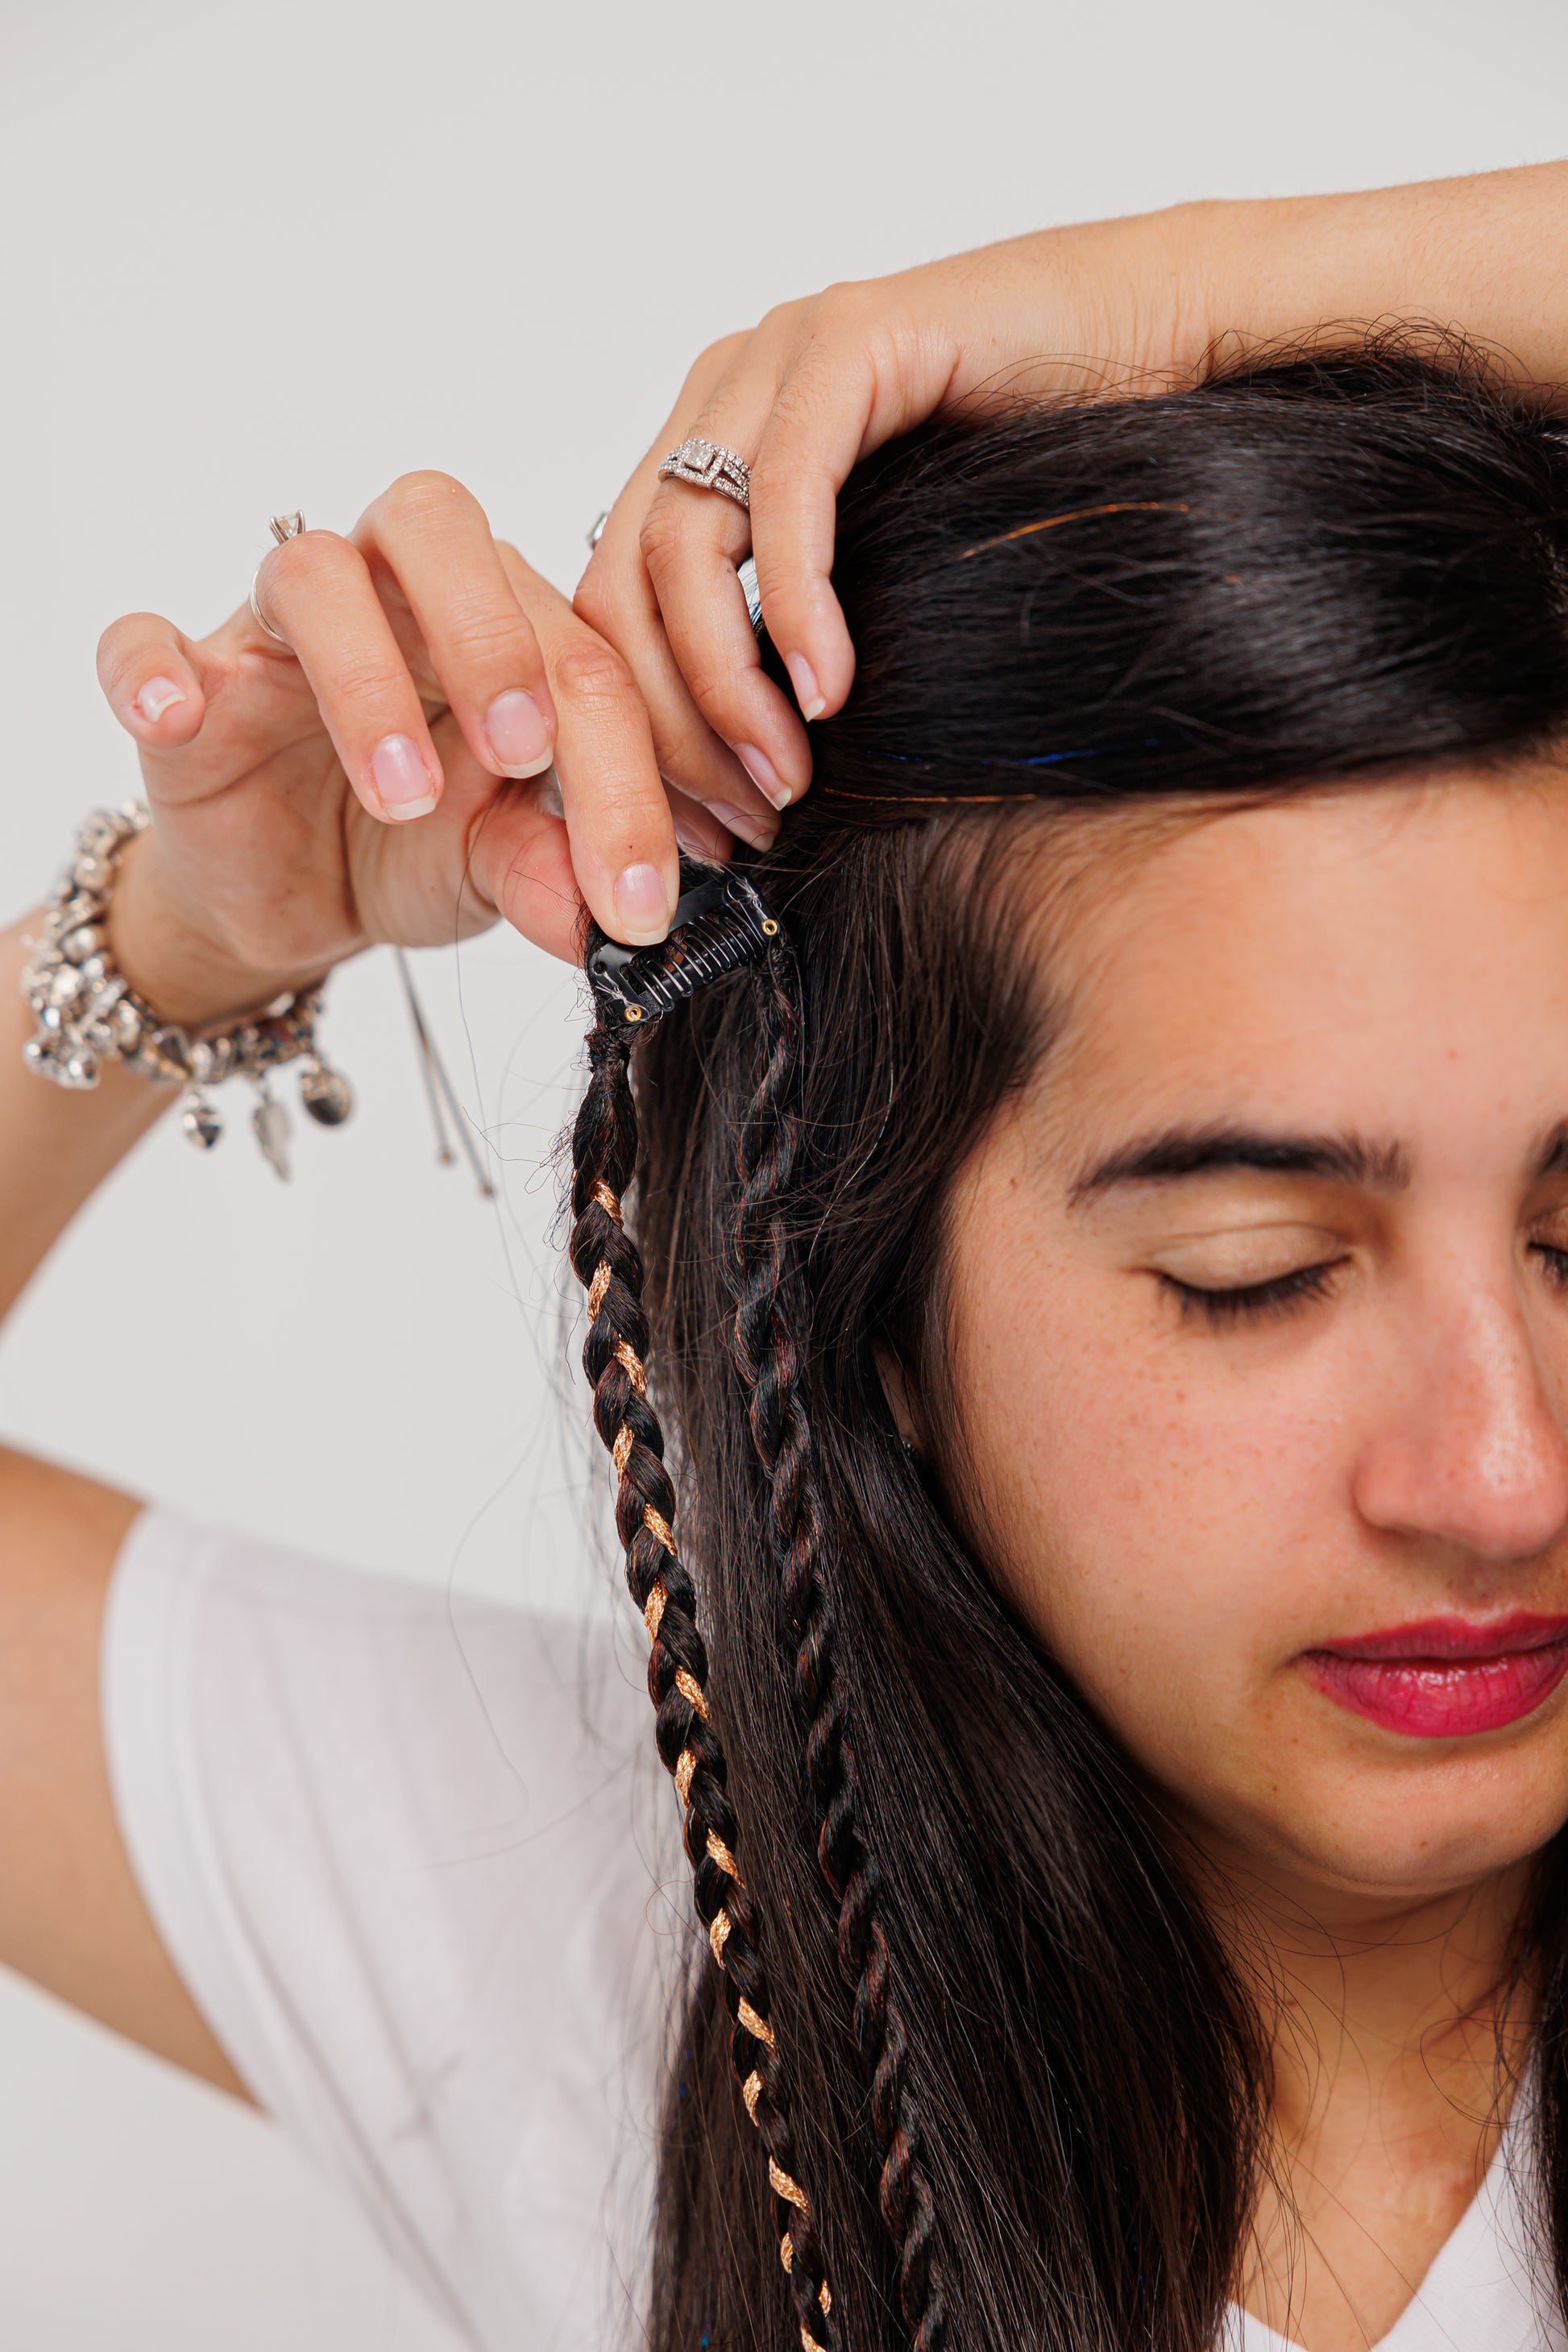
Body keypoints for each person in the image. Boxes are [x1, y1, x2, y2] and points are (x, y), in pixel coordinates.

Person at [5, 165, 1568, 2352]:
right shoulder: (601, 1929)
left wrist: (1184, 291)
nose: (1500, 1475)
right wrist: (197, 937)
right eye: (1250, 1270)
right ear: (877, 1310)